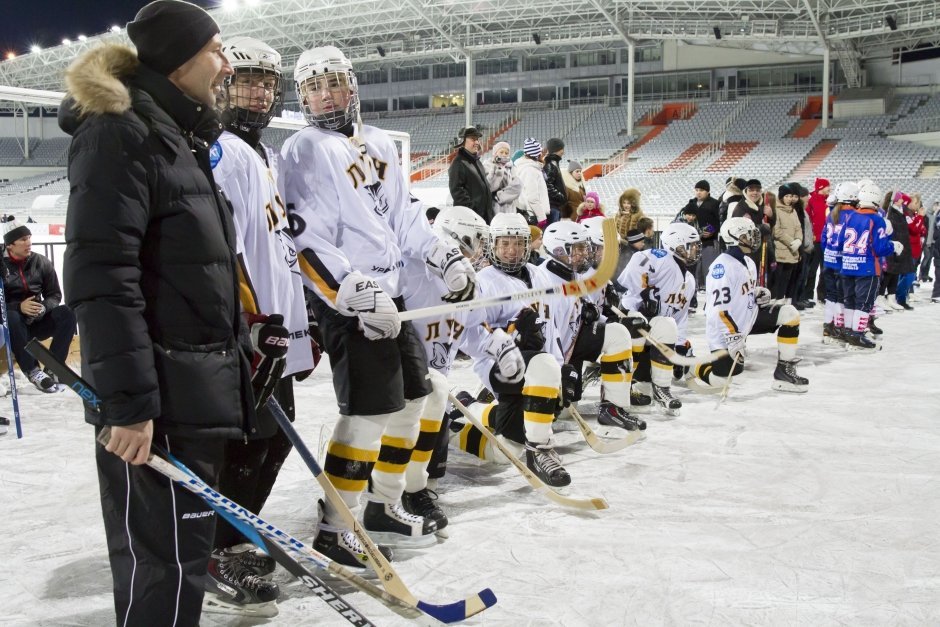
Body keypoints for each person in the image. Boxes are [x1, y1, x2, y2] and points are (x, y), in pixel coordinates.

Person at [58, 1, 260, 623]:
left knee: (181, 566)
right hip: (157, 401)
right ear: (179, 60)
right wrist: (127, 403)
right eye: (217, 51)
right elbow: (102, 277)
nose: (226, 66)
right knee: (162, 569)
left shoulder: (176, 135)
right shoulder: (121, 133)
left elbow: (190, 269)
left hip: (190, 389)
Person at [280, 45, 476, 557]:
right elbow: (304, 238)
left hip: (393, 293)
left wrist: (441, 254)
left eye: (333, 84)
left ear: (352, 86)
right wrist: (354, 292)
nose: (325, 96)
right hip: (351, 301)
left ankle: (381, 505)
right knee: (367, 412)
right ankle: (334, 526)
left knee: (416, 396)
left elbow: (404, 216)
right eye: (313, 88)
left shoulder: (381, 143)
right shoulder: (304, 149)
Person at [204, 36, 318, 615]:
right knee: (245, 444)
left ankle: (238, 531)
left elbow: (279, 248)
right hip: (250, 339)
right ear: (221, 85)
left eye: (267, 84)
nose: (258, 92)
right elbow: (224, 251)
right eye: (246, 80)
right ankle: (216, 550)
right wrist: (250, 325)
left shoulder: (264, 155)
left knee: (275, 439)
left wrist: (305, 321)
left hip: (279, 334)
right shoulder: (222, 151)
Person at [400, 206, 489, 530]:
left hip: (434, 384)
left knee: (437, 406)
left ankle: (418, 489)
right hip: (398, 379)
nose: (480, 252)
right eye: (476, 243)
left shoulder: (468, 284)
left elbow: (475, 333)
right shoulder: (412, 270)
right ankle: (395, 486)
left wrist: (498, 349)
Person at [693, 218, 808, 392]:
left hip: (747, 320)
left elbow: (741, 292)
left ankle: (784, 373)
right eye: (748, 235)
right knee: (721, 382)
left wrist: (756, 293)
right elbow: (717, 310)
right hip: (725, 329)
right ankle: (690, 367)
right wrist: (732, 336)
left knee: (789, 314)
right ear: (734, 237)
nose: (753, 238)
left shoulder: (748, 262)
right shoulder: (721, 268)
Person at [617, 222, 702, 416]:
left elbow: (679, 318)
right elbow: (636, 265)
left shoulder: (689, 279)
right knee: (644, 322)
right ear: (676, 244)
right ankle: (619, 384)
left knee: (668, 324)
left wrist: (679, 346)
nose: (696, 249)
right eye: (692, 244)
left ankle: (661, 388)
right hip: (631, 326)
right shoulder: (661, 257)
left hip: (655, 339)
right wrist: (644, 292)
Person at [1, 221, 76, 392]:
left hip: (37, 321)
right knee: (12, 317)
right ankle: (33, 371)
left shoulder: (40, 261)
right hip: (12, 324)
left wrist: (44, 307)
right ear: (10, 245)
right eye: (23, 239)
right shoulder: (1, 265)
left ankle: (54, 367)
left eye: (29, 238)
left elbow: (55, 295)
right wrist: (18, 307)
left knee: (67, 312)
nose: (29, 243)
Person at [840, 182, 899, 349]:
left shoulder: (850, 216)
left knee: (849, 300)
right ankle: (857, 334)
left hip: (848, 265)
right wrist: (893, 245)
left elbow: (841, 241)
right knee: (863, 303)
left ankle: (849, 331)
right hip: (867, 267)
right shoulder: (876, 219)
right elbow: (880, 248)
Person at [448, 125, 494, 222]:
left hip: (484, 218)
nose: (477, 142)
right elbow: (457, 193)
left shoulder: (477, 161)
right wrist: (473, 212)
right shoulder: (458, 163)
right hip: (471, 220)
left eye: (477, 139)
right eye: (473, 139)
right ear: (462, 141)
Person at [682, 180, 721, 286]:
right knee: (694, 268)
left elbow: (719, 221)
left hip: (709, 242)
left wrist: (713, 232)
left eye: (702, 190)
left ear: (708, 192)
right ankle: (694, 288)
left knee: (708, 267)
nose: (698, 192)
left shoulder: (715, 204)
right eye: (697, 190)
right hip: (693, 243)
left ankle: (709, 287)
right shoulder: (691, 203)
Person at [770, 184, 803, 304]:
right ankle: (776, 303)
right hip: (781, 250)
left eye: (791, 196)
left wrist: (799, 240)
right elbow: (776, 231)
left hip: (793, 251)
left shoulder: (793, 210)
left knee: (787, 279)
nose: (789, 199)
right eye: (787, 196)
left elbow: (798, 227)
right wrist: (791, 242)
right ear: (781, 197)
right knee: (778, 280)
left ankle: (784, 304)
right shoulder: (776, 210)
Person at [803, 177, 830, 303]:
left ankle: (822, 294)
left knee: (825, 270)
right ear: (820, 187)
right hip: (815, 240)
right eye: (826, 186)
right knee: (812, 270)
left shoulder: (829, 201)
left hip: (827, 240)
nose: (829, 188)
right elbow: (807, 220)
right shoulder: (811, 201)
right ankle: (807, 294)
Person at [515, 138, 549, 226]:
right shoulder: (530, 170)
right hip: (533, 214)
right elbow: (532, 196)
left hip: (531, 213)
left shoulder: (528, 167)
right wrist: (541, 217)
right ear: (536, 154)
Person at [482, 141, 521, 215]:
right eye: (501, 152)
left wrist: (501, 196)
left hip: (510, 208)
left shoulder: (511, 167)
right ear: (495, 153)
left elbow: (517, 188)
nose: (504, 155)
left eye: (506, 153)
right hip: (495, 207)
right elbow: (489, 188)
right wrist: (498, 173)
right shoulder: (488, 166)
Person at [543, 137, 567, 225]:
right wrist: (560, 196)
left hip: (554, 206)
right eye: (562, 149)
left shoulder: (553, 163)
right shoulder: (551, 164)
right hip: (552, 206)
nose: (563, 152)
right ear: (557, 149)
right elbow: (548, 185)